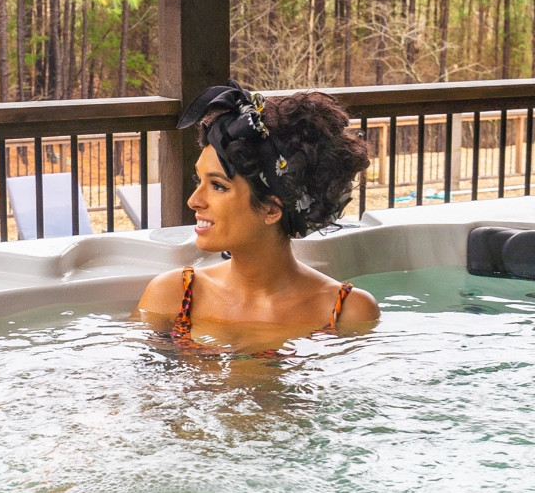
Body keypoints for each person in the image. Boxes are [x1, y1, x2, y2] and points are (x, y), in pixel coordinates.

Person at [136, 84, 380, 348]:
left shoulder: (347, 311)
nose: (193, 201)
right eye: (199, 180)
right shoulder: (173, 294)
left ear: (271, 210)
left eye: (218, 185)